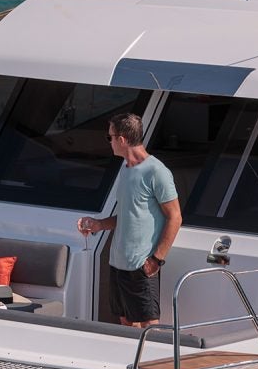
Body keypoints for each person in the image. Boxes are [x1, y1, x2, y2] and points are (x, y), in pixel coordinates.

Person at [77, 112, 182, 327]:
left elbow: (175, 217)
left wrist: (156, 259)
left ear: (122, 139)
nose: (110, 142)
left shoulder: (157, 172)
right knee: (126, 324)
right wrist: (99, 225)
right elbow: (128, 215)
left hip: (141, 265)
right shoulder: (125, 170)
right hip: (118, 265)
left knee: (148, 328)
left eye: (110, 137)